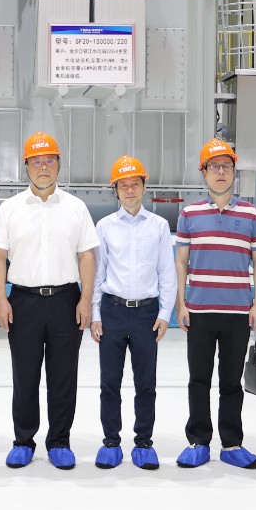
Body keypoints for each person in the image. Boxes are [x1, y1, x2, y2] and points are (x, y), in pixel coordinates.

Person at [0, 132, 99, 470]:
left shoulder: (76, 208)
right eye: (36, 161)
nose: (43, 167)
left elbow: (87, 257)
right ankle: (23, 441)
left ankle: (60, 442)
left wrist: (85, 299)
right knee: (24, 376)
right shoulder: (10, 209)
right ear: (26, 166)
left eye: (49, 160)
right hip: (23, 302)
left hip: (66, 301)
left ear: (58, 165)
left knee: (63, 376)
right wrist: (1, 300)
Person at [175, 137, 256, 470]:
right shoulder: (189, 213)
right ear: (204, 172)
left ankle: (232, 444)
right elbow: (181, 262)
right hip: (199, 311)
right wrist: (181, 304)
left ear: (233, 171)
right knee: (199, 380)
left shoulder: (251, 214)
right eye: (213, 167)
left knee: (231, 382)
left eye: (226, 167)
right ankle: (198, 441)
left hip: (237, 313)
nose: (220, 172)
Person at [90, 155, 176, 470]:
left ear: (144, 187)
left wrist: (165, 313)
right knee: (109, 383)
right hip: (112, 311)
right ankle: (111, 442)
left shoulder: (159, 226)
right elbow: (98, 273)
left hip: (145, 314)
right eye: (123, 185)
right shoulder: (104, 226)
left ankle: (143, 443)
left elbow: (167, 272)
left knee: (145, 383)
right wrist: (95, 313)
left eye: (134, 184)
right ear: (115, 190)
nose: (129, 190)